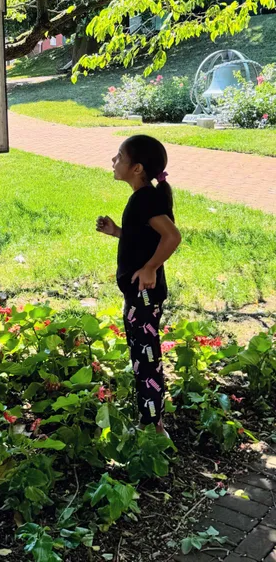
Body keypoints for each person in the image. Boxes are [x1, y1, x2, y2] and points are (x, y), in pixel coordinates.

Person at [96, 135, 181, 434]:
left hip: (143, 297)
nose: (114, 161)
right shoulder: (143, 198)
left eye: (120, 157)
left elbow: (172, 236)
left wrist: (150, 267)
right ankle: (151, 422)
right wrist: (119, 232)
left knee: (146, 363)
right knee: (143, 357)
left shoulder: (146, 198)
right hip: (138, 295)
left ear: (137, 168)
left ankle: (153, 428)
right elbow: (146, 237)